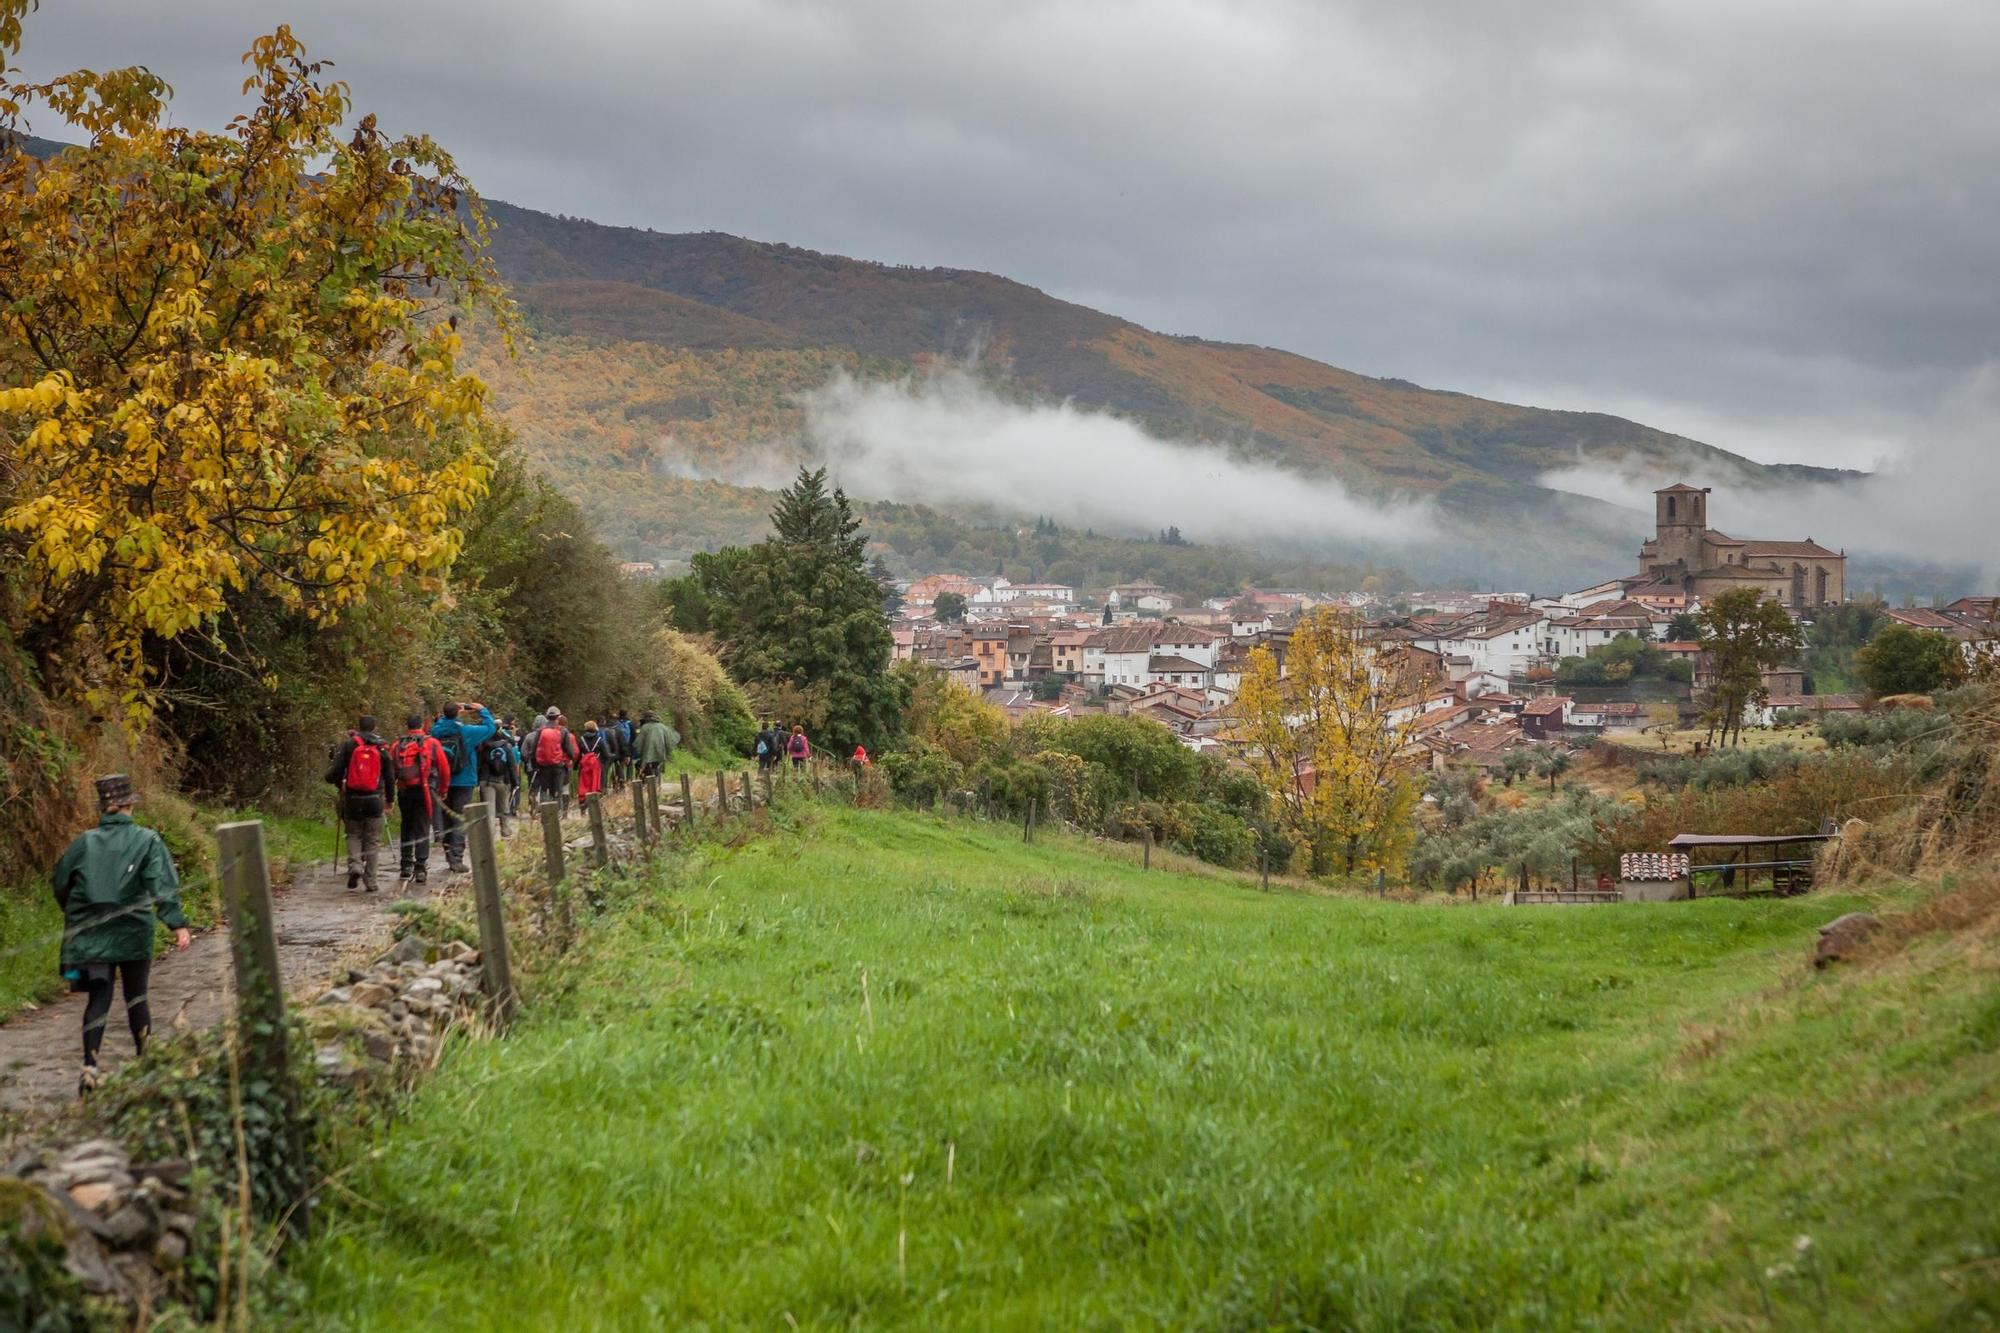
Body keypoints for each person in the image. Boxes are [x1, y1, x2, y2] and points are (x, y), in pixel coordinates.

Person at [53, 774, 191, 1095]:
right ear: (129, 805)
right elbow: (162, 884)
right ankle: (146, 1065)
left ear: (104, 808)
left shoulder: (84, 842)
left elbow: (60, 881)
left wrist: (76, 914)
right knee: (137, 996)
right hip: (133, 932)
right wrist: (177, 923)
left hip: (92, 931)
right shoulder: (147, 840)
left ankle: (90, 1065)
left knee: (99, 997)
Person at [327, 715, 393, 893]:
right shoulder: (381, 746)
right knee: (372, 839)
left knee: (353, 834)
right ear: (374, 727)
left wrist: (335, 781)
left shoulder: (349, 744)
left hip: (353, 798)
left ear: (359, 727)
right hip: (375, 798)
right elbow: (389, 775)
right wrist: (390, 800)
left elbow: (336, 770)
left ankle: (355, 866)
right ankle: (370, 881)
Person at [431, 701, 497, 873]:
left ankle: (448, 856)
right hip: (464, 779)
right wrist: (482, 710)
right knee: (460, 819)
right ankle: (457, 859)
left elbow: (435, 730)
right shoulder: (467, 731)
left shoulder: (435, 731)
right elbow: (490, 728)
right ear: (459, 712)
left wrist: (445, 716)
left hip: (441, 780)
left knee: (446, 819)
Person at [389, 713, 450, 889]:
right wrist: (443, 789)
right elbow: (444, 769)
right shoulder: (432, 743)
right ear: (423, 725)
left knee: (406, 825)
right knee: (423, 827)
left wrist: (389, 796)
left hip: (405, 790)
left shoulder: (397, 745)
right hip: (425, 790)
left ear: (407, 726)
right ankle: (421, 867)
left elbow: (391, 769)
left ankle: (406, 865)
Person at [529, 707, 576, 811]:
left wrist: (535, 765)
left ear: (547, 717)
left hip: (543, 766)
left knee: (544, 789)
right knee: (557, 790)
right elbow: (568, 749)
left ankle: (545, 812)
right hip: (558, 766)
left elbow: (534, 749)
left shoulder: (540, 731)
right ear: (558, 717)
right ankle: (558, 814)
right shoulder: (563, 731)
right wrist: (572, 760)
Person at [476, 722, 518, 838]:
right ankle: (506, 833)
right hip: (503, 781)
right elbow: (512, 766)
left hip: (486, 781)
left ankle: (489, 837)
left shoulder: (482, 746)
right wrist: (515, 782)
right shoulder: (507, 746)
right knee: (504, 808)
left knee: (489, 811)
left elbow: (478, 765)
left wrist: (477, 780)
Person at [633, 709, 677, 778]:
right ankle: (656, 782)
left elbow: (638, 742)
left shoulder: (644, 727)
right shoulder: (663, 727)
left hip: (647, 753)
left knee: (645, 767)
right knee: (656, 766)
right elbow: (670, 741)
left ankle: (648, 782)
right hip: (660, 752)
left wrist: (636, 752)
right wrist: (668, 752)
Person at [577, 719, 612, 801]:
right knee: (596, 784)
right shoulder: (599, 740)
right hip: (597, 764)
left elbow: (578, 754)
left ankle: (583, 803)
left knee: (584, 784)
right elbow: (606, 754)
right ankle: (595, 802)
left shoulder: (581, 740)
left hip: (584, 765)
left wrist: (576, 765)